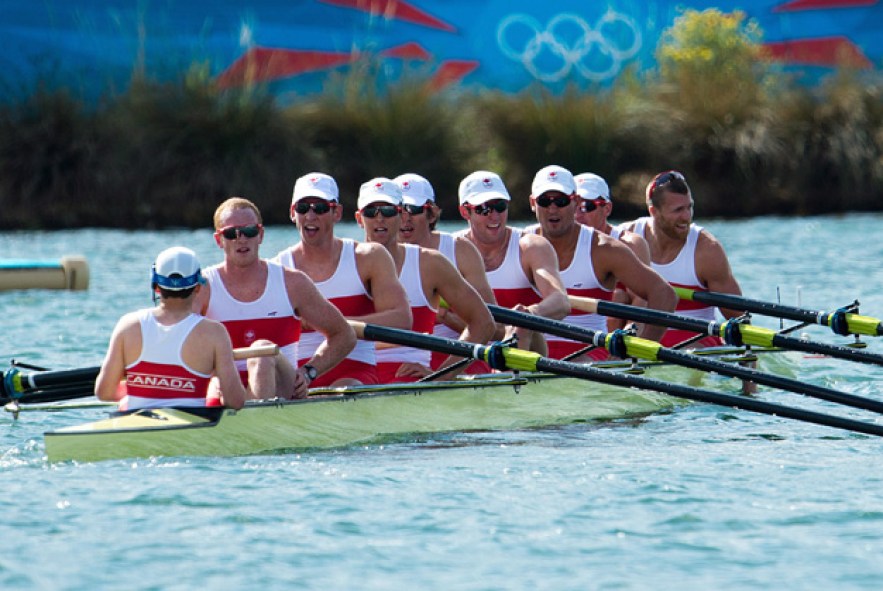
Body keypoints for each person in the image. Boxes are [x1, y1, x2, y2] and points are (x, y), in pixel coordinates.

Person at [195, 197, 356, 399]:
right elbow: (179, 342)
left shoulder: (292, 283)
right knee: (217, 379)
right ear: (219, 240)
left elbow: (344, 335)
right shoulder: (202, 287)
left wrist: (309, 372)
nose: (241, 239)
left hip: (283, 389)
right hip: (228, 390)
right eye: (231, 234)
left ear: (260, 235)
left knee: (262, 351)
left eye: (249, 231)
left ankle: (257, 418)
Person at [525, 165, 676, 360]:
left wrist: (641, 350)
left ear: (575, 202)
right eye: (545, 201)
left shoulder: (604, 249)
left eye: (561, 201)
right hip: (528, 358)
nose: (553, 209)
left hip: (588, 361)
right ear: (532, 203)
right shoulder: (520, 244)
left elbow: (664, 295)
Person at [275, 172, 411, 387]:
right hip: (298, 377)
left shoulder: (368, 257)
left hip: (355, 372)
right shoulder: (278, 267)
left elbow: (402, 319)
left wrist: (334, 324)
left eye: (320, 208)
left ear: (336, 212)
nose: (310, 216)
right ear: (293, 213)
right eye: (303, 208)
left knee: (345, 389)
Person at [355, 177, 495, 381]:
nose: (379, 219)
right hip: (352, 379)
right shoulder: (339, 260)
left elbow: (484, 323)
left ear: (400, 214)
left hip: (409, 381)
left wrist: (441, 376)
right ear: (359, 219)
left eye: (387, 211)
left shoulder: (430, 263)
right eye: (370, 212)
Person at [95, 246, 248, 411]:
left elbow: (104, 392)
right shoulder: (214, 333)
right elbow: (235, 401)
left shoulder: (128, 325)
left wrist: (141, 389)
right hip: (191, 428)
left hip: (135, 424)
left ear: (156, 286)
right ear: (198, 287)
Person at [620, 170, 744, 348]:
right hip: (643, 341)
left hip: (695, 345)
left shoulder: (707, 250)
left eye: (689, 207)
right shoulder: (626, 238)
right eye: (678, 210)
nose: (686, 217)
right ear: (653, 211)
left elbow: (739, 318)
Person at [393, 172, 498, 372]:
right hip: (402, 362)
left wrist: (441, 375)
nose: (405, 219)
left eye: (414, 210)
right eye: (399, 210)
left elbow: (492, 328)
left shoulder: (460, 250)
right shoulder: (374, 255)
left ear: (430, 214)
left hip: (459, 359)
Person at [456, 170, 569, 353]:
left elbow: (560, 301)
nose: (494, 216)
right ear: (465, 211)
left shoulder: (531, 247)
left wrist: (527, 314)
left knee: (522, 327)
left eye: (500, 206)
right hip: (471, 351)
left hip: (526, 350)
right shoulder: (449, 249)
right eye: (484, 209)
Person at [573, 172, 654, 331]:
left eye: (586, 207)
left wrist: (627, 337)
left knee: (617, 296)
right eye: (573, 206)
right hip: (564, 336)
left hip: (610, 343)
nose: (577, 215)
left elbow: (642, 300)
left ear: (607, 208)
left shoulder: (631, 244)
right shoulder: (550, 243)